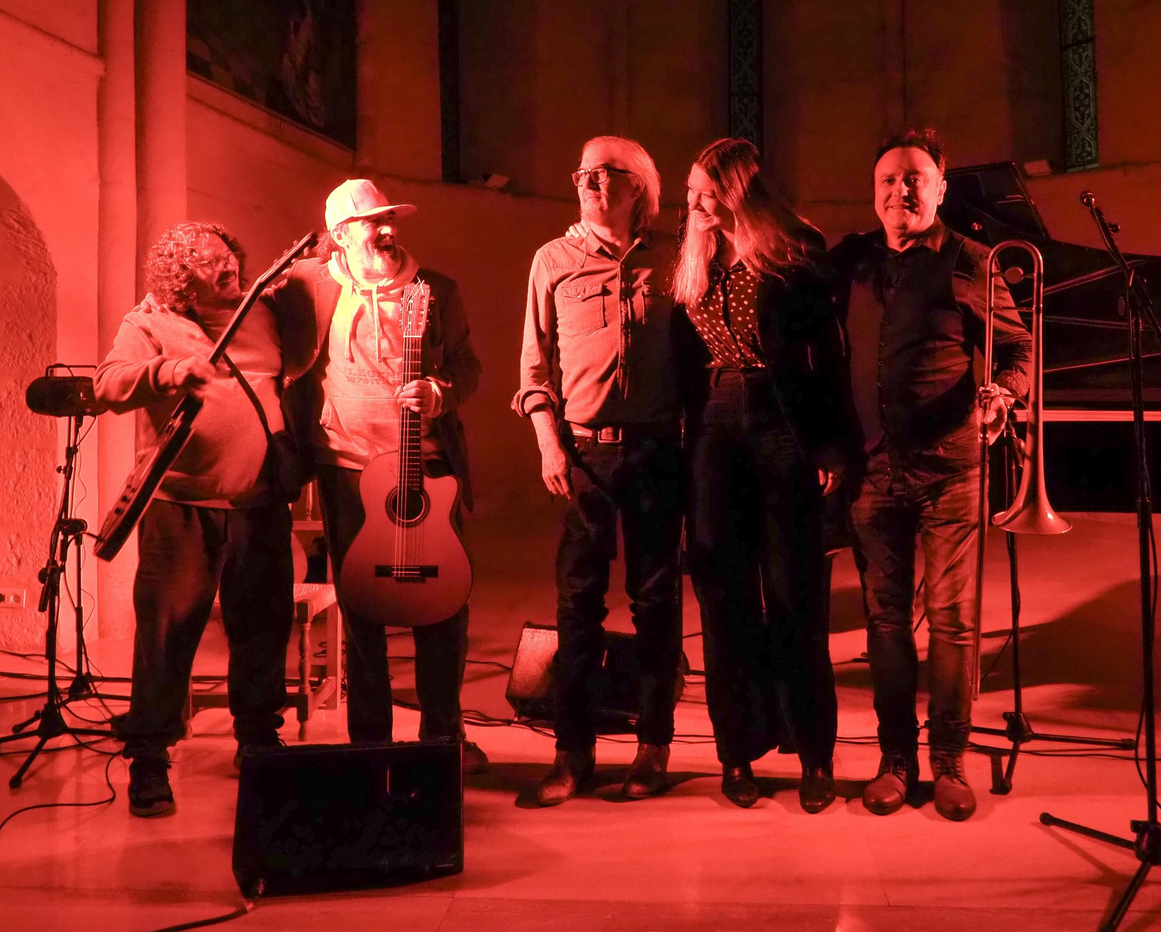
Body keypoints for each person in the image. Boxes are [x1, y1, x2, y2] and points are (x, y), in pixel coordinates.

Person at [827, 128, 1031, 821]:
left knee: (952, 622)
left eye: (914, 178)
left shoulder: (973, 261)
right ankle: (895, 759)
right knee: (885, 624)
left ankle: (948, 762)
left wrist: (1004, 392)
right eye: (888, 180)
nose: (900, 191)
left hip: (950, 469)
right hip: (873, 471)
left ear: (941, 188)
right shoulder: (852, 264)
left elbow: (1020, 351)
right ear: (874, 192)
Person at [277, 179, 486, 772]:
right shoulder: (311, 290)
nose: (388, 229)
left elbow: (468, 365)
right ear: (341, 236)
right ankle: (370, 745)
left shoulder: (434, 289)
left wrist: (440, 392)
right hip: (346, 469)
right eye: (372, 222)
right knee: (363, 609)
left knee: (442, 606)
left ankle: (442, 740)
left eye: (391, 218)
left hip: (427, 471)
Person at [672, 138, 850, 813]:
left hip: (782, 421)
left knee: (795, 593)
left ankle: (814, 754)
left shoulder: (796, 256)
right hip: (716, 431)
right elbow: (683, 368)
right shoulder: (694, 262)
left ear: (739, 189)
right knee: (723, 597)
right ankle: (736, 752)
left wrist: (835, 446)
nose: (693, 206)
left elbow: (831, 359)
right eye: (690, 194)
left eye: (706, 193)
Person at [95, 222, 295, 818]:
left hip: (259, 504)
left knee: (262, 627)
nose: (228, 266)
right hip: (182, 507)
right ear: (184, 281)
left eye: (229, 254)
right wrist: (168, 372)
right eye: (211, 263)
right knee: (167, 634)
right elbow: (108, 384)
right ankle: (150, 759)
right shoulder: (149, 322)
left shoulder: (261, 310)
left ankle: (258, 738)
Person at [515, 136, 683, 805]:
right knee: (576, 605)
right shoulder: (551, 260)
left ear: (639, 186)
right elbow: (532, 368)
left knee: (656, 603)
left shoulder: (674, 259)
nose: (588, 182)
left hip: (656, 451)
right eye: (582, 172)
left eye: (606, 173)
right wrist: (548, 446)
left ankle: (653, 750)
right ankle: (571, 754)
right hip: (582, 452)